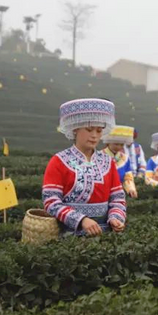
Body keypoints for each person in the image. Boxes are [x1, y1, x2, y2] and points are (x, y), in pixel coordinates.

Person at [42, 98, 126, 237]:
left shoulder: (107, 161)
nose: (94, 135)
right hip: (69, 237)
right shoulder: (58, 161)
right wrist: (81, 220)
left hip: (105, 237)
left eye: (99, 131)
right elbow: (51, 202)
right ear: (75, 129)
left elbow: (117, 198)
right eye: (88, 129)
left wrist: (116, 218)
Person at [103, 125, 139, 198]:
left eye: (121, 144)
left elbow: (128, 177)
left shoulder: (125, 158)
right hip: (102, 194)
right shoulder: (99, 156)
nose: (119, 147)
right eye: (116, 144)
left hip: (119, 195)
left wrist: (131, 189)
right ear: (108, 143)